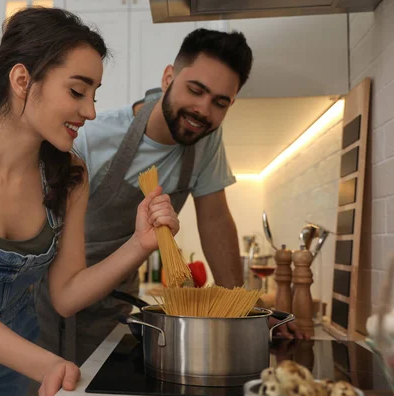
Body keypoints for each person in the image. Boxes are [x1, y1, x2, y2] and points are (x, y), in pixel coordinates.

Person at [0, 7, 180, 396]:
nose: (90, 111)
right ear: (22, 80)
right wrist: (49, 364)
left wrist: (140, 244)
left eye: (94, 95)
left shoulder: (70, 175)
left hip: (12, 364)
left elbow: (66, 294)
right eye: (77, 91)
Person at [34, 27, 307, 373]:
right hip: (53, 310)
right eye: (195, 90)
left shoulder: (206, 140)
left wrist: (246, 314)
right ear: (168, 78)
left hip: (114, 310)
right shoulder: (93, 137)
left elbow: (216, 222)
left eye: (220, 102)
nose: (203, 110)